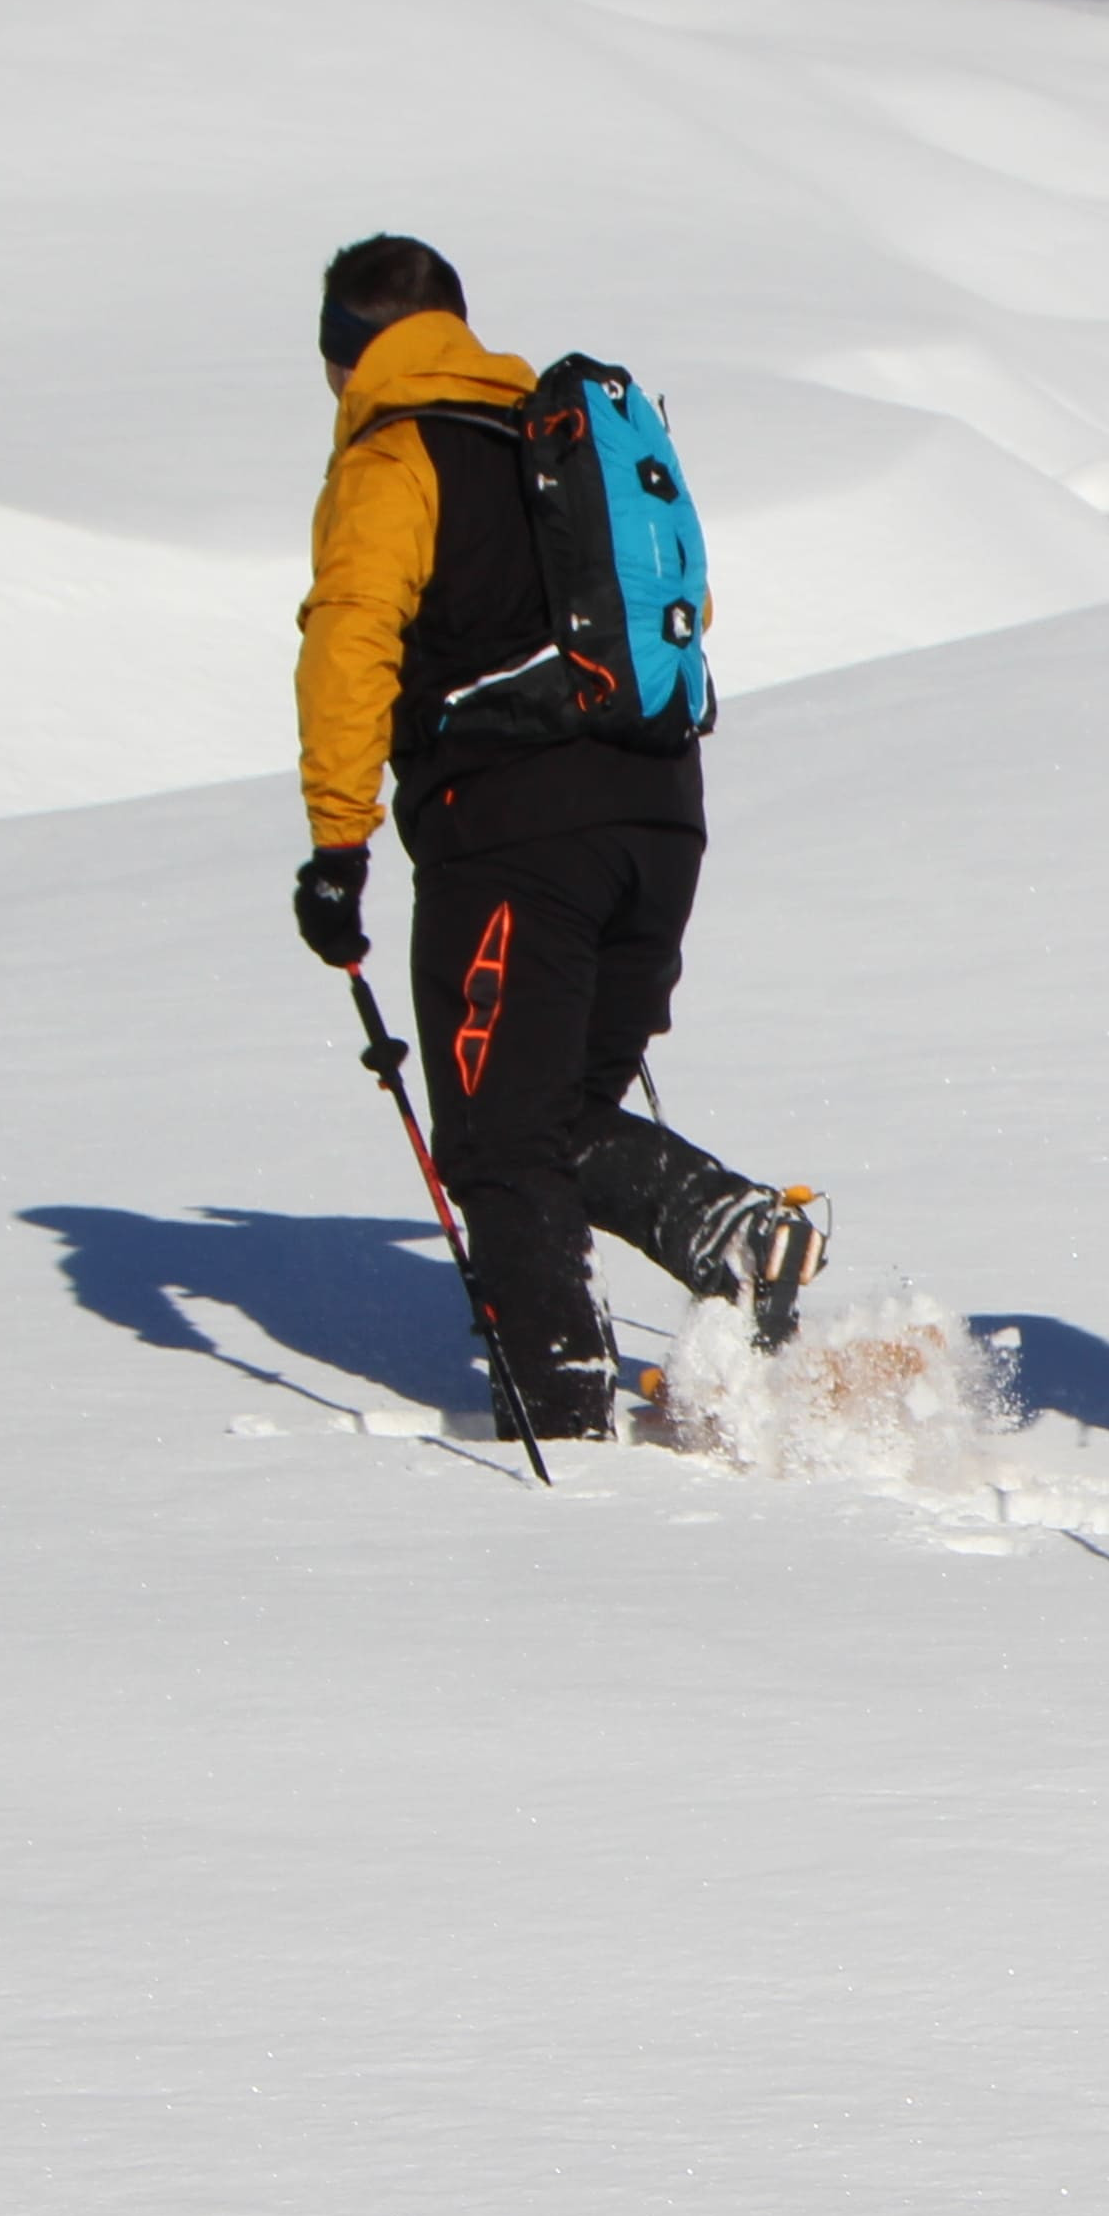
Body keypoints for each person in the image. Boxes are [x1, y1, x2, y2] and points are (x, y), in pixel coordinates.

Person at [286, 233, 822, 1438]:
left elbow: (352, 634)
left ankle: (558, 1424)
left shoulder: (396, 453)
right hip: (658, 815)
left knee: (497, 1138)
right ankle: (733, 1229)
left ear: (342, 358)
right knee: (559, 1109)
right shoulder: (555, 443)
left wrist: (337, 843)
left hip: (513, 837)